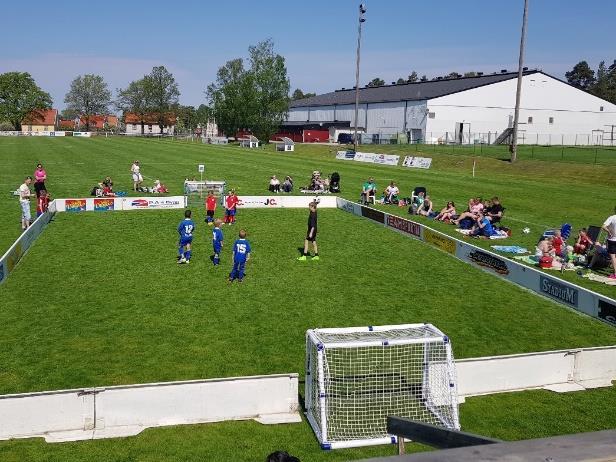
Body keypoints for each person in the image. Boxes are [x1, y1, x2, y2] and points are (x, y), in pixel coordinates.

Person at [601, 207, 616, 279]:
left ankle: (615, 274)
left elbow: (603, 226)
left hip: (612, 240)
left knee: (613, 257)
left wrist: (609, 231)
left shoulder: (612, 218)